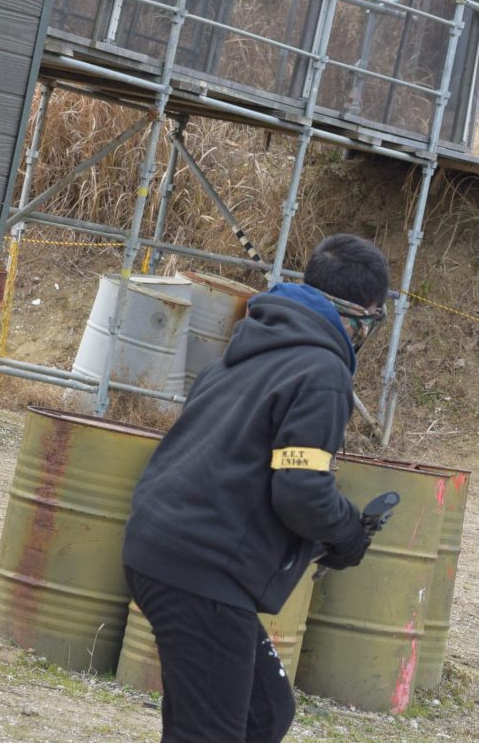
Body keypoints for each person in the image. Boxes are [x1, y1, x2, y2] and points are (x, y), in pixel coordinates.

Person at [123, 234, 391, 743]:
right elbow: (301, 490)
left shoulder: (249, 345)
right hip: (202, 568)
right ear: (362, 314)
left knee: (263, 713)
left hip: (169, 548)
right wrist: (348, 534)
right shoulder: (323, 371)